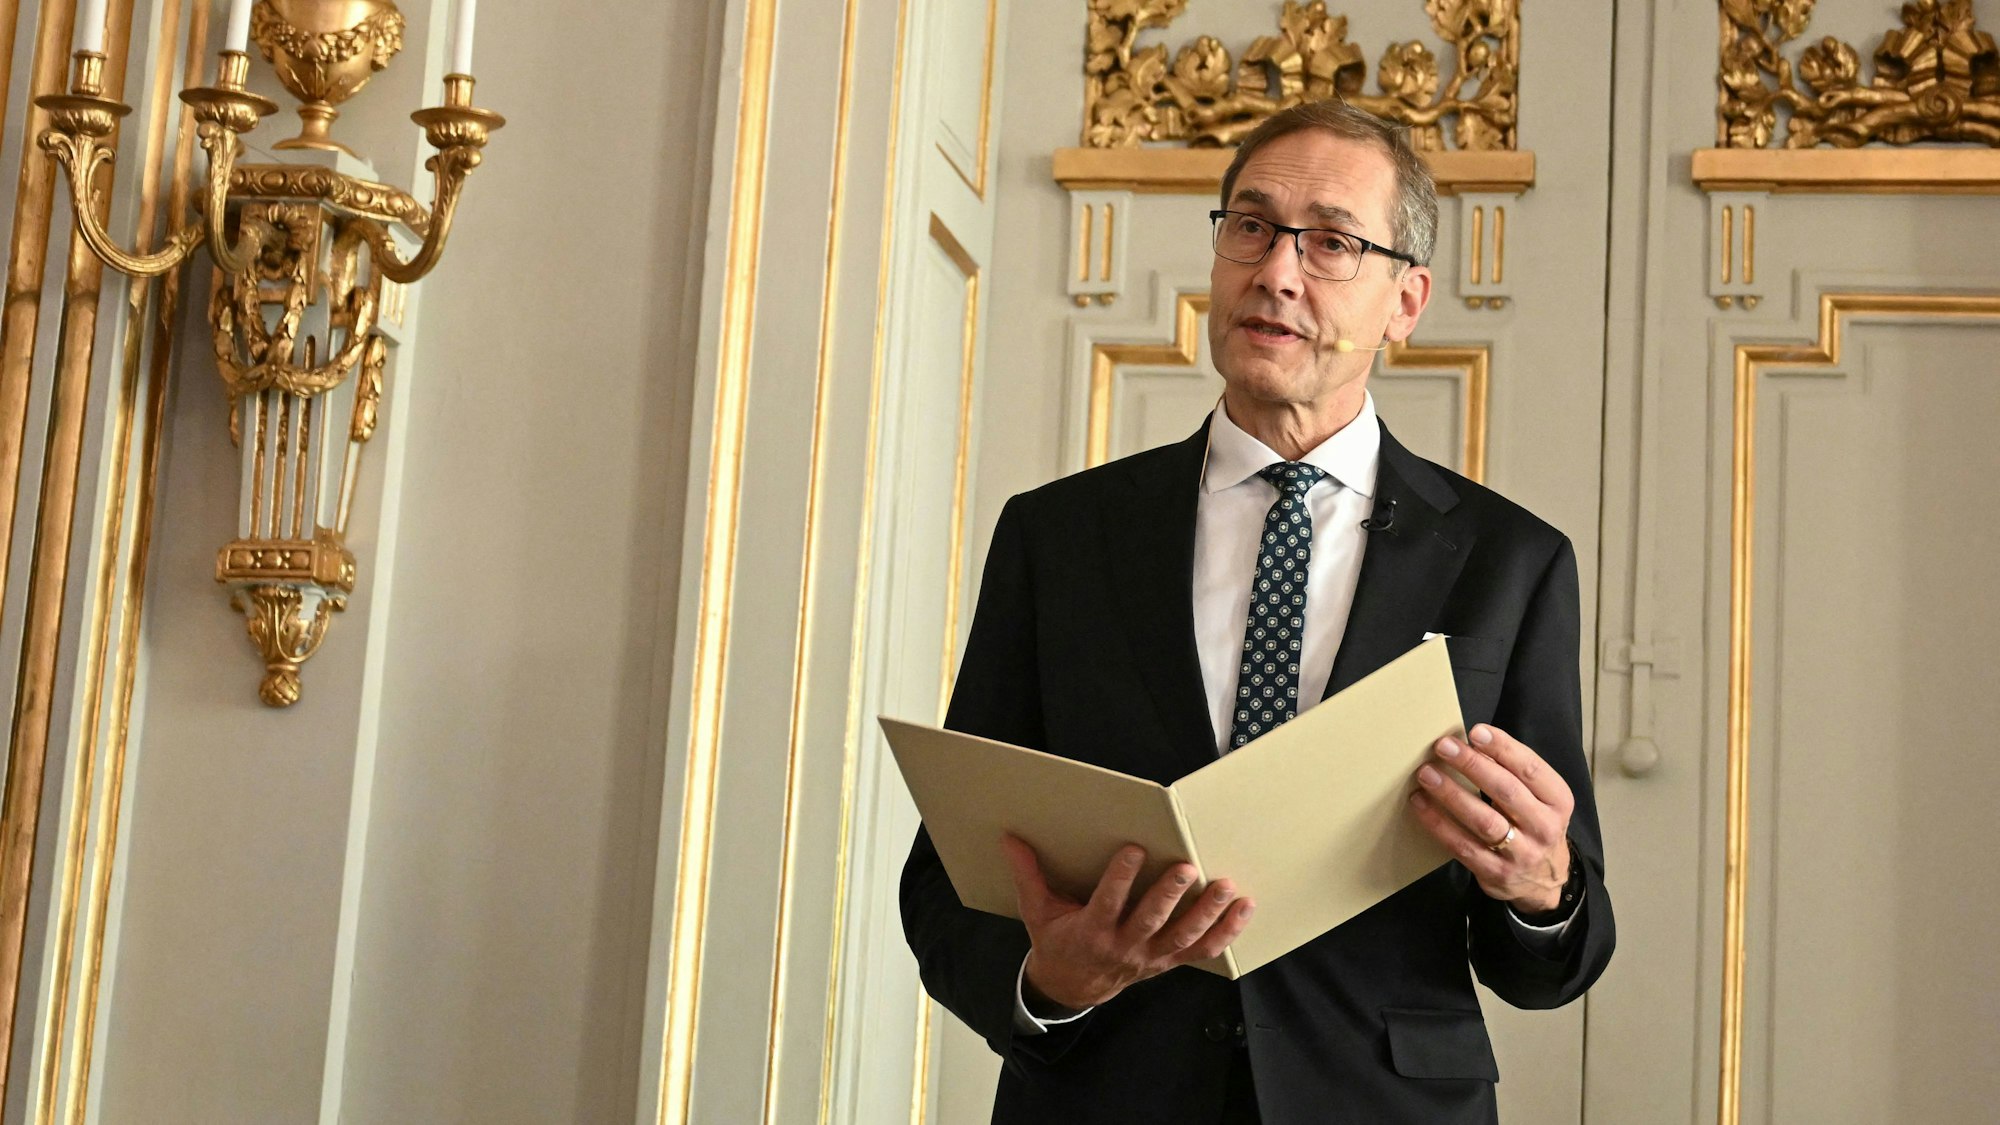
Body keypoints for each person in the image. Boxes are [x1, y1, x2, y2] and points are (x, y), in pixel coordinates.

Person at [900, 99, 1614, 1125]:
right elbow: (945, 877)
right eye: (1251, 226)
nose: (1276, 271)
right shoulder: (1057, 536)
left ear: (1405, 302)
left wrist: (1544, 889)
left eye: (1330, 242)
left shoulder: (1511, 563)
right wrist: (1049, 982)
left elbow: (1550, 962)